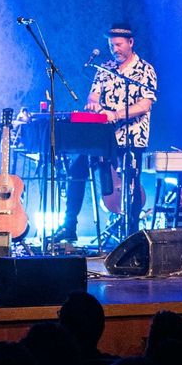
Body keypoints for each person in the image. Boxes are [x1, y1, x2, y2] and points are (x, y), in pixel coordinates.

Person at [56, 23, 157, 245]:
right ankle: (69, 226)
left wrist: (116, 114)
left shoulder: (145, 70)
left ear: (131, 43)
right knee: (77, 170)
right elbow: (93, 96)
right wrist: (93, 105)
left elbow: (145, 104)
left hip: (130, 136)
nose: (115, 49)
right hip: (101, 136)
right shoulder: (105, 68)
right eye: (111, 46)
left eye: (119, 45)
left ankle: (132, 231)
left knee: (131, 179)